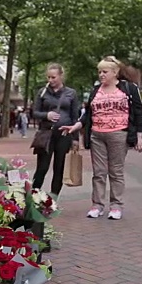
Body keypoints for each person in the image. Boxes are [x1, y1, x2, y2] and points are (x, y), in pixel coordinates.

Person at [59, 56, 142, 220]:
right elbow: (88, 115)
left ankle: (116, 206)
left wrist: (140, 137)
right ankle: (97, 205)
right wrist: (75, 126)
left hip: (119, 134)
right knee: (98, 172)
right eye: (99, 72)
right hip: (97, 135)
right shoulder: (95, 91)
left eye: (105, 72)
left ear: (115, 72)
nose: (101, 75)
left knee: (116, 171)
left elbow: (139, 113)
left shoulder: (129, 89)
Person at [31, 63, 80, 197]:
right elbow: (34, 112)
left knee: (59, 168)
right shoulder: (42, 92)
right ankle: (33, 196)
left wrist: (75, 139)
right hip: (46, 135)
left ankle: (53, 199)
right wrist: (46, 115)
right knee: (42, 168)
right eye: (48, 77)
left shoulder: (71, 93)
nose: (50, 80)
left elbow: (75, 117)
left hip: (64, 135)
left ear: (61, 76)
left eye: (53, 77)